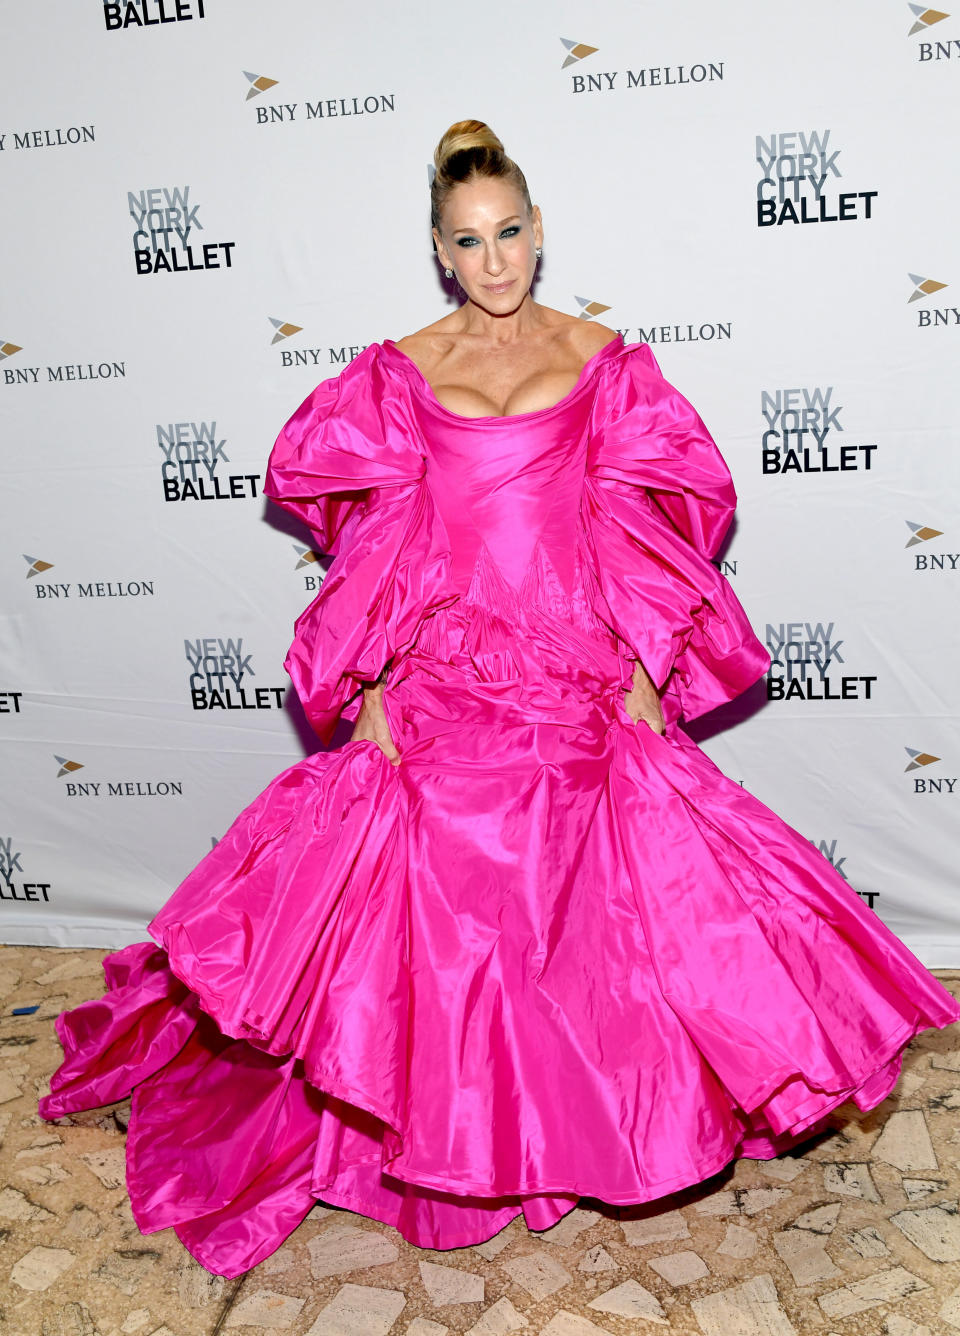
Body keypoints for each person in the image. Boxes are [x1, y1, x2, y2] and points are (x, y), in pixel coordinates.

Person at [39, 119, 960, 1280]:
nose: (495, 260)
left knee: (614, 901)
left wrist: (638, 676)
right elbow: (379, 541)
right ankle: (453, 1135)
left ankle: (591, 1130)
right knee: (437, 904)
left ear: (539, 230)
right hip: (447, 673)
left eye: (511, 232)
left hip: (575, 666)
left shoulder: (606, 363)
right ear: (439, 248)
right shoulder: (401, 374)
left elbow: (648, 527)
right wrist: (370, 687)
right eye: (469, 241)